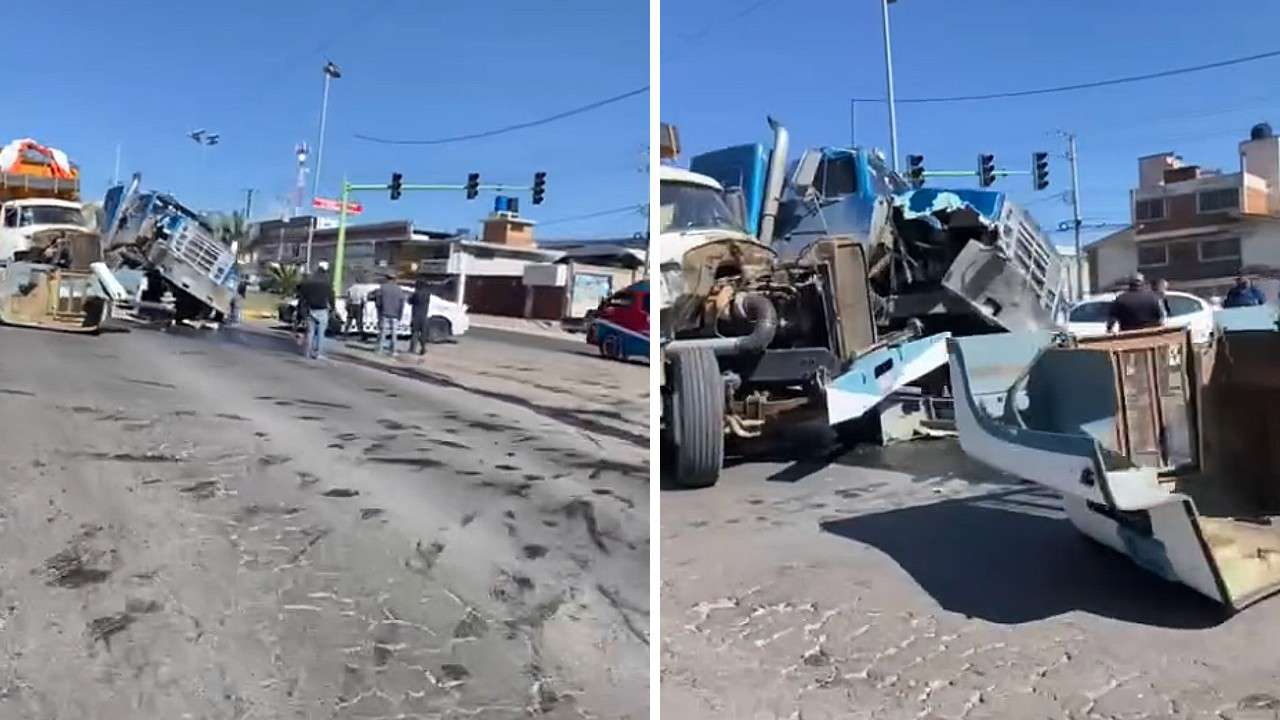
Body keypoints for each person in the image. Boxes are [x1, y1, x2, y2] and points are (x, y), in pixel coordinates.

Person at [296, 262, 335, 360]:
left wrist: (301, 310)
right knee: (321, 333)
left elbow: (301, 295)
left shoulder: (309, 281)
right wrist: (333, 308)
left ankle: (307, 352)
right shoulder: (326, 282)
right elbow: (331, 296)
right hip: (322, 309)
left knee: (310, 332)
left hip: (310, 309)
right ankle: (318, 353)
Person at [375, 273, 406, 357]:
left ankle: (379, 350)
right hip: (395, 314)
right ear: (395, 279)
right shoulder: (399, 289)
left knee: (383, 332)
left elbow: (378, 301)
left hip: (384, 312)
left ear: (387, 278)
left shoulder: (383, 288)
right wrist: (400, 314)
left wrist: (379, 312)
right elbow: (402, 303)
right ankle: (393, 351)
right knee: (394, 333)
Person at [407, 278, 433, 355]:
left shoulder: (416, 293)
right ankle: (423, 348)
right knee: (423, 334)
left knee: (415, 333)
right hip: (424, 316)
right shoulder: (427, 294)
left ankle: (412, 348)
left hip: (416, 316)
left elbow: (410, 301)